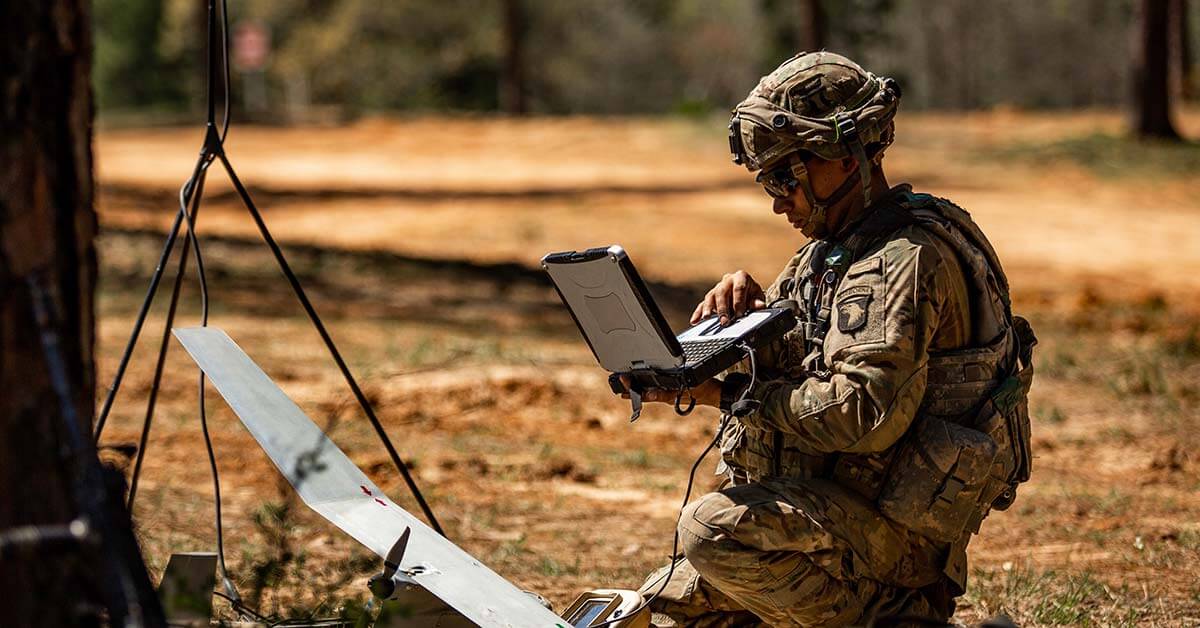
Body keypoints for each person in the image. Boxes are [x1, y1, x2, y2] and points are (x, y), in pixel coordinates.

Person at [623, 51, 1036, 627]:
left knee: (711, 533)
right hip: (833, 522)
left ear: (843, 157)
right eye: (767, 181)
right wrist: (745, 315)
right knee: (660, 611)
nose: (777, 200)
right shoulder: (837, 250)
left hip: (892, 548)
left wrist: (729, 395)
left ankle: (899, 618)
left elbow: (861, 415)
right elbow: (804, 356)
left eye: (784, 177)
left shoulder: (900, 260)